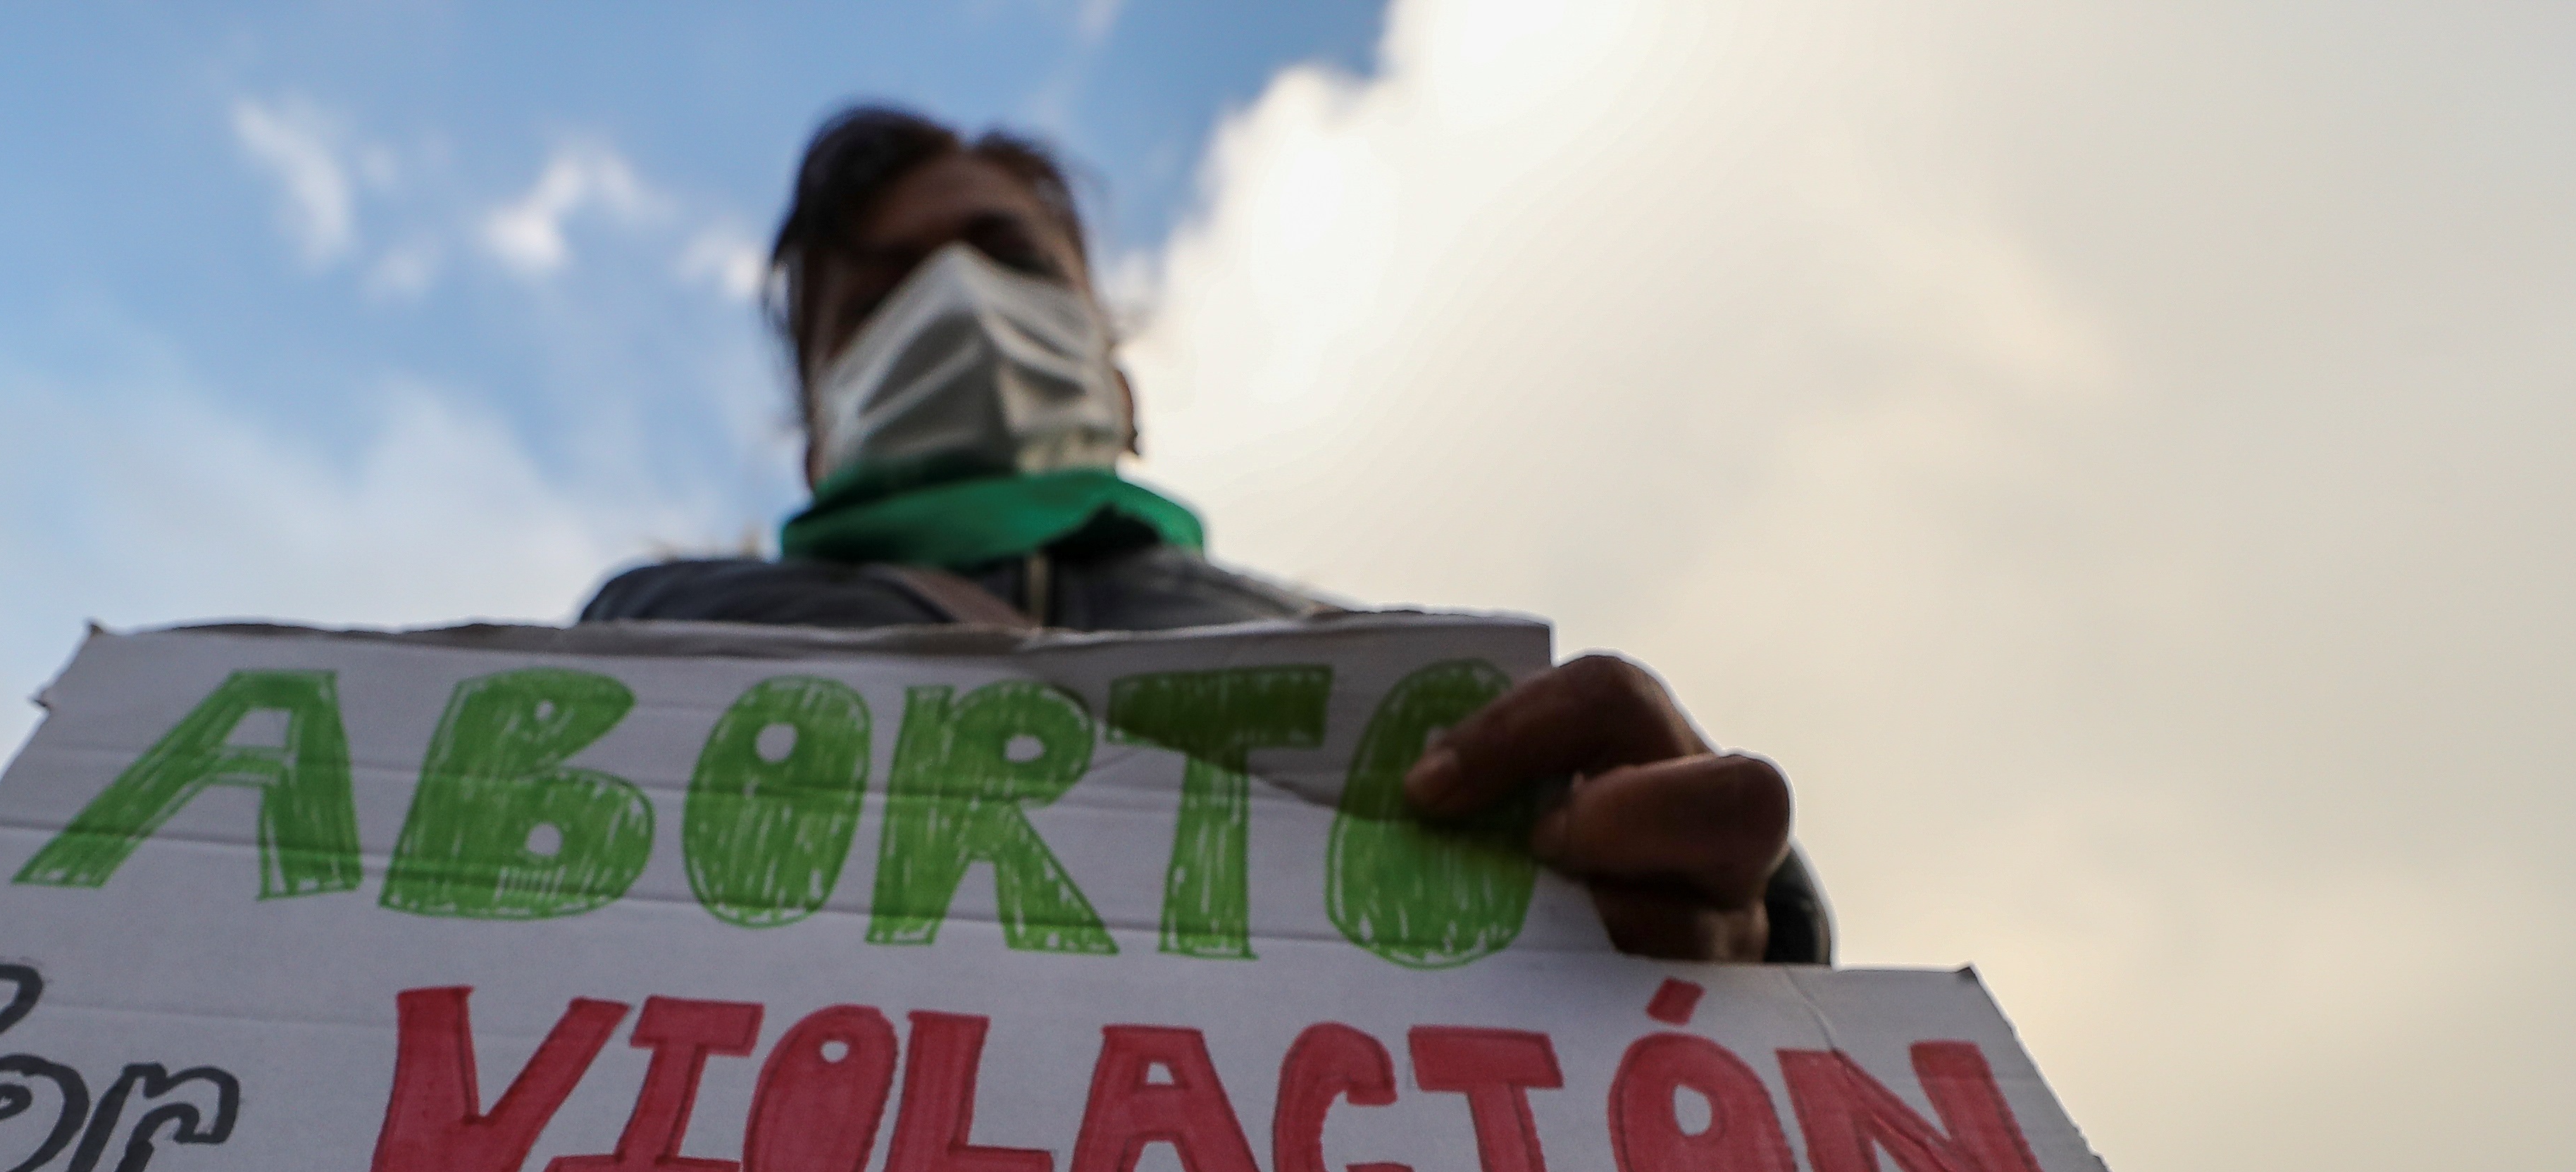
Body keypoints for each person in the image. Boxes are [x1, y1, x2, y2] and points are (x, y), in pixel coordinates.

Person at [583, 104, 1825, 970]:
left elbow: (1736, 939)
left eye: (1007, 254)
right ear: (817, 434)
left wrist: (1738, 916)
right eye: (879, 294)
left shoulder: (1371, 661)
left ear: (1120, 386)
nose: (953, 298)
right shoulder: (651, 635)